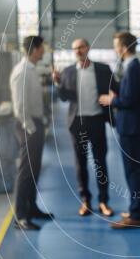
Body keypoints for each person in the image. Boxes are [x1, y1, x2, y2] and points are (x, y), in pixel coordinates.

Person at [52, 38, 116, 217]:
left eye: (80, 47)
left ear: (88, 48)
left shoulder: (103, 70)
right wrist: (57, 83)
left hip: (97, 121)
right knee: (80, 164)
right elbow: (64, 97)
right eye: (74, 49)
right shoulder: (68, 72)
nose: (78, 51)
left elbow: (115, 89)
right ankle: (85, 201)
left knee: (100, 162)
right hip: (77, 123)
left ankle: (103, 201)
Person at [99, 31, 140, 229]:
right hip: (135, 126)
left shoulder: (133, 69)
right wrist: (119, 90)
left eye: (116, 46)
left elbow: (128, 101)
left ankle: (135, 215)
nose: (115, 49)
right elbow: (131, 95)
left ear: (123, 47)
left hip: (131, 127)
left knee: (133, 171)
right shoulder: (134, 68)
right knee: (139, 170)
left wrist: (112, 100)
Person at [9, 35, 54, 230]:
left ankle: (31, 207)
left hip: (35, 123)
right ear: (35, 49)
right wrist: (32, 128)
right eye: (42, 47)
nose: (44, 50)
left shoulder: (31, 70)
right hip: (28, 125)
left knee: (34, 169)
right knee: (25, 171)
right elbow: (20, 106)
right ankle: (20, 216)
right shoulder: (22, 72)